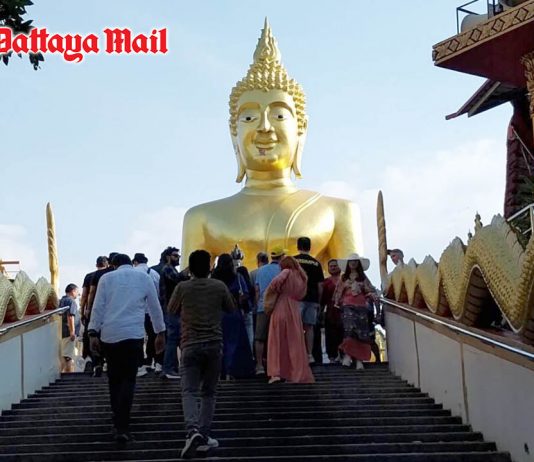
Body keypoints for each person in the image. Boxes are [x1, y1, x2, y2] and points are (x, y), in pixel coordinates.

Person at [181, 21, 365, 271]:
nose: (264, 127)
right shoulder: (202, 218)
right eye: (249, 117)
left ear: (301, 129)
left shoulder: (337, 211)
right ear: (233, 132)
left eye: (279, 115)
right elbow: (190, 284)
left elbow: (353, 282)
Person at [88, 253, 166, 443]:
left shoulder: (106, 279)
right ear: (131, 263)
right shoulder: (144, 278)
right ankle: (123, 425)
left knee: (114, 380)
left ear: (114, 265)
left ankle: (117, 420)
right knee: (129, 380)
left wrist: (92, 332)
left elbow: (98, 307)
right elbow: (155, 307)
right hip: (133, 335)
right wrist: (160, 332)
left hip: (110, 335)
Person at [166, 250, 236, 459]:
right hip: (214, 343)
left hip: (190, 344)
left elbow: (171, 309)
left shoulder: (183, 287)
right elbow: (231, 308)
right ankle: (204, 434)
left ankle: (192, 431)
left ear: (190, 267)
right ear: (209, 267)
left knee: (189, 390)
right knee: (209, 392)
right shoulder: (219, 286)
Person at [264, 256, 314, 384]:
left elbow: (274, 284)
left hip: (281, 306)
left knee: (277, 339)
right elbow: (302, 294)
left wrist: (273, 293)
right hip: (294, 308)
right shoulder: (302, 276)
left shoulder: (286, 272)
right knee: (294, 341)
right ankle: (294, 373)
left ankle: (276, 373)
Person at [211, 254, 255, 379]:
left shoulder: (214, 278)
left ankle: (219, 370)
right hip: (233, 312)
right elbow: (245, 293)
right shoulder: (237, 277)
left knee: (219, 343)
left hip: (217, 313)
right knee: (234, 343)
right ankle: (232, 370)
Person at [334, 253, 377, 370]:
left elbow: (370, 290)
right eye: (351, 261)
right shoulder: (343, 278)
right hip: (347, 305)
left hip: (361, 306)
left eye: (355, 261)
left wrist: (368, 293)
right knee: (349, 330)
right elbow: (337, 293)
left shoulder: (363, 278)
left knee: (361, 332)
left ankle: (359, 359)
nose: (353, 263)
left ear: (358, 263)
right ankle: (348, 355)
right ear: (348, 263)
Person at [294, 237, 325, 364]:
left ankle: (296, 354)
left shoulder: (294, 261)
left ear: (298, 246)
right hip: (312, 299)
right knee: (309, 327)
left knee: (296, 326)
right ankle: (309, 354)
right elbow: (320, 285)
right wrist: (319, 301)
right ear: (310, 247)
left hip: (296, 298)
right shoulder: (316, 263)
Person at [254, 246, 284, 375]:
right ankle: (278, 365)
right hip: (279, 307)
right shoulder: (283, 271)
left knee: (260, 337)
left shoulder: (260, 270)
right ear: (281, 257)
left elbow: (257, 290)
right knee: (279, 337)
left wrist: (257, 305)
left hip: (263, 307)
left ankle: (259, 365)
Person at [87, 252, 118, 377]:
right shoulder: (119, 275)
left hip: (99, 309)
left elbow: (91, 292)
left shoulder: (98, 274)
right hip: (114, 310)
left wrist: (88, 308)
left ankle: (98, 364)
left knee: (97, 336)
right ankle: (111, 363)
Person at [159, 246, 187, 379]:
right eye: (175, 256)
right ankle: (169, 368)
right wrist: (188, 270)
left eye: (178, 256)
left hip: (173, 309)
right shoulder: (167, 269)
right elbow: (177, 279)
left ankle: (172, 368)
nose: (178, 258)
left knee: (174, 338)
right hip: (172, 309)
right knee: (173, 338)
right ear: (168, 257)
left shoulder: (170, 269)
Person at [133, 252, 162, 376]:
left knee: (137, 337)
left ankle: (140, 363)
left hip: (136, 310)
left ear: (135, 262)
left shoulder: (133, 273)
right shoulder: (154, 274)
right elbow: (159, 293)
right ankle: (153, 361)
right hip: (151, 310)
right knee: (153, 336)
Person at [80, 256, 108, 372]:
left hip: (91, 310)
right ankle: (104, 360)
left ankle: (90, 360)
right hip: (106, 310)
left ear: (96, 265)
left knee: (90, 335)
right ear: (107, 264)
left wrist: (83, 310)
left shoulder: (89, 276)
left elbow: (85, 295)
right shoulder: (109, 274)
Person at [321, 259, 344, 363]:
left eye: (335, 265)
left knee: (344, 334)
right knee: (330, 335)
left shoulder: (345, 280)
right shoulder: (326, 282)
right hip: (330, 311)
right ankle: (332, 357)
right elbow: (322, 299)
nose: (333, 267)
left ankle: (344, 355)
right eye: (331, 266)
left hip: (344, 311)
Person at [59, 283, 80, 373]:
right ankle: (67, 374)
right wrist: (72, 332)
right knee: (68, 356)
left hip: (61, 332)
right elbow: (70, 316)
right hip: (68, 333)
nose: (78, 294)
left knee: (64, 354)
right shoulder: (71, 302)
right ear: (73, 291)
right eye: (77, 292)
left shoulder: (61, 301)